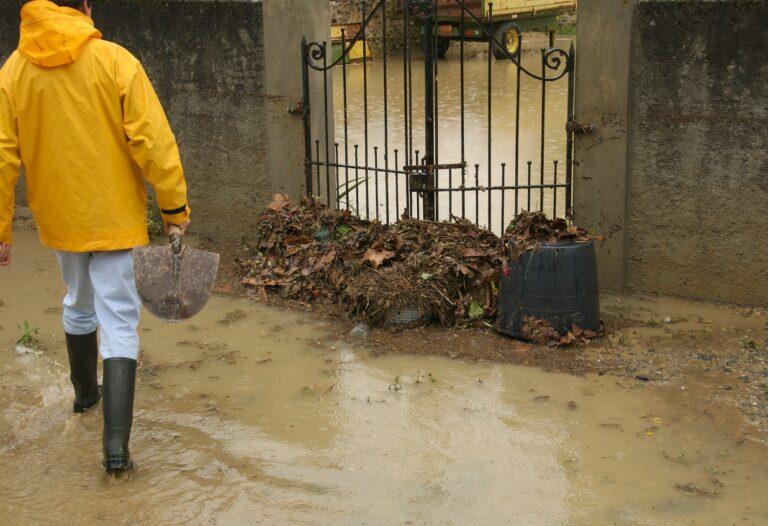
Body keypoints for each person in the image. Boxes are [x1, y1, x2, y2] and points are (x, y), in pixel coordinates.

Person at [0, 0, 191, 473]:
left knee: (77, 302)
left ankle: (85, 400)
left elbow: (3, 156)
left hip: (61, 221)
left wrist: (2, 229)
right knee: (120, 321)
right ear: (85, 7)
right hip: (116, 220)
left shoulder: (13, 72)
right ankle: (116, 449)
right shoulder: (115, 61)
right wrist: (174, 209)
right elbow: (154, 142)